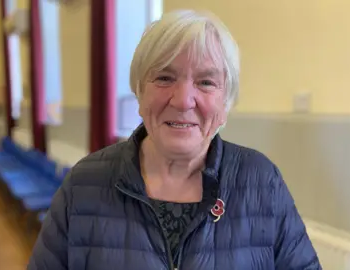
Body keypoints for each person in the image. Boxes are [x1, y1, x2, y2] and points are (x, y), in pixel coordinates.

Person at [28, 9, 321, 270]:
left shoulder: (262, 182)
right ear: (139, 92)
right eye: (165, 78)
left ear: (225, 103)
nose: (183, 101)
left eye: (206, 82)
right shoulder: (83, 184)